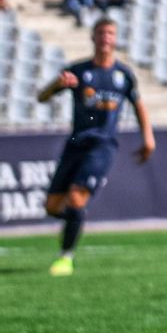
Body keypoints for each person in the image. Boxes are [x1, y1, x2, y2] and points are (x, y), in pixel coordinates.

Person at [35, 19, 156, 275]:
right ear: (93, 37)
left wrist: (148, 138)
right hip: (76, 143)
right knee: (52, 207)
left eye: (110, 33)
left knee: (77, 197)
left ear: (116, 38)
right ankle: (76, 219)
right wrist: (56, 85)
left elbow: (139, 105)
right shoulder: (78, 71)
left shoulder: (123, 76)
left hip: (103, 145)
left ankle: (65, 257)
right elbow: (41, 97)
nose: (105, 38)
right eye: (101, 33)